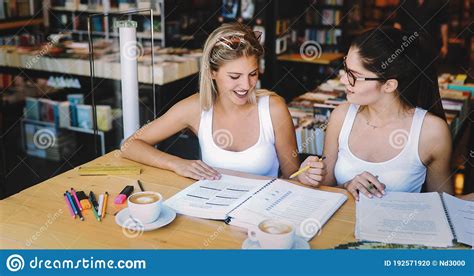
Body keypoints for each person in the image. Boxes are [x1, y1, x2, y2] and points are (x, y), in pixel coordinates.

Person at [120, 23, 325, 185]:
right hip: (213, 215)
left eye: (252, 74)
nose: (246, 85)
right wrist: (177, 164)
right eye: (235, 76)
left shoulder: (274, 108)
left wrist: (305, 176)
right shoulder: (195, 108)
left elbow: (292, 176)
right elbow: (129, 145)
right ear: (212, 73)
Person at [320, 27, 456, 200]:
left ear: (389, 85)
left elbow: (443, 205)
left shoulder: (431, 132)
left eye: (353, 75)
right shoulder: (341, 115)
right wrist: (345, 186)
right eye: (345, 69)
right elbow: (326, 186)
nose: (343, 80)